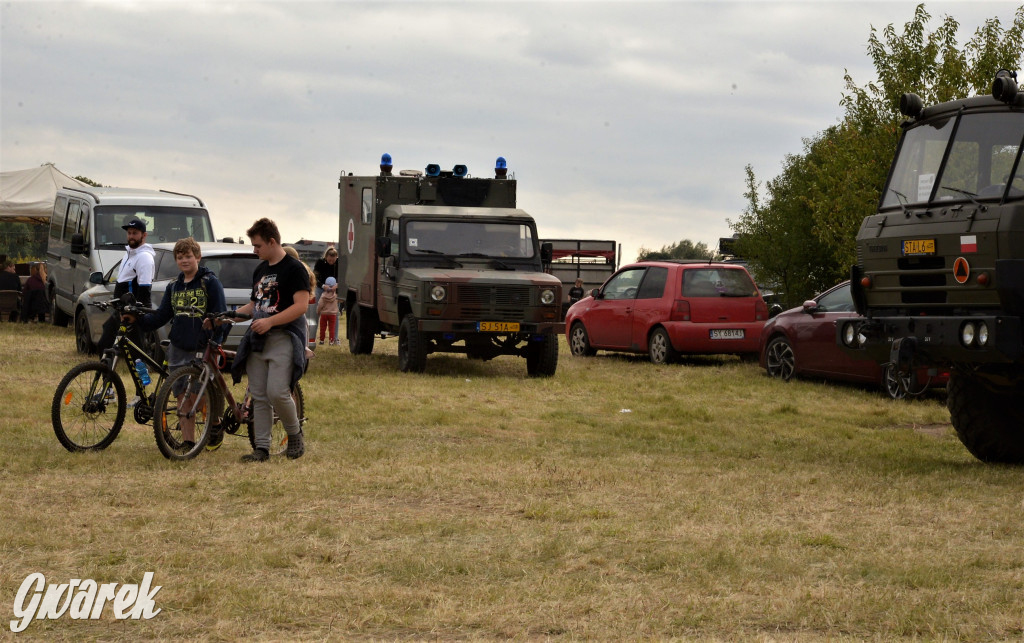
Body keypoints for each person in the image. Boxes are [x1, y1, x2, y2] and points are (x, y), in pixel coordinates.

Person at [124, 238, 228, 451]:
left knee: (199, 399)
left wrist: (216, 339)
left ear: (198, 257)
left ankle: (214, 423)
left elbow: (221, 315)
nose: (184, 261)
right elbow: (162, 315)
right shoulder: (173, 287)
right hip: (178, 347)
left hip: (202, 347)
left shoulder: (209, 282)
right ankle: (188, 443)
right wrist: (139, 319)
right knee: (182, 397)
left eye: (188, 256)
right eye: (180, 258)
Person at [229, 218, 309, 462]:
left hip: (284, 337)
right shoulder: (260, 269)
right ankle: (261, 448)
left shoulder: (294, 269)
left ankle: (295, 434)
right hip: (258, 340)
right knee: (260, 395)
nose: (254, 250)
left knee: (277, 392)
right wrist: (230, 318)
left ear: (272, 241)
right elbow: (255, 305)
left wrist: (271, 322)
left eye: (258, 245)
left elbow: (301, 306)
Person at [97, 218, 155, 353]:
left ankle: (142, 374)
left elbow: (145, 291)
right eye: (129, 233)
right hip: (121, 311)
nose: (131, 236)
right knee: (104, 346)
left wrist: (135, 313)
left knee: (137, 354)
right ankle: (107, 374)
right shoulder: (129, 254)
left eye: (135, 233)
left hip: (133, 313)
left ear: (144, 235)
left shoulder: (144, 257)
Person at [313, 246, 340, 341]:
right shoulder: (320, 262)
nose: (331, 262)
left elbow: (343, 276)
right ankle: (312, 337)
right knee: (317, 312)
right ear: (326, 257)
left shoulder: (338, 263)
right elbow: (315, 277)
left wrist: (337, 285)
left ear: (336, 258)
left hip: (333, 291)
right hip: (321, 288)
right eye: (329, 260)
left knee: (334, 314)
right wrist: (323, 286)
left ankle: (335, 338)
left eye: (333, 260)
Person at [317, 276, 339, 345]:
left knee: (322, 328)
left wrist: (318, 311)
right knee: (332, 328)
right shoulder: (336, 296)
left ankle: (321, 340)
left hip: (324, 314)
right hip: (333, 314)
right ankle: (331, 341)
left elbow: (320, 304)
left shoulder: (323, 295)